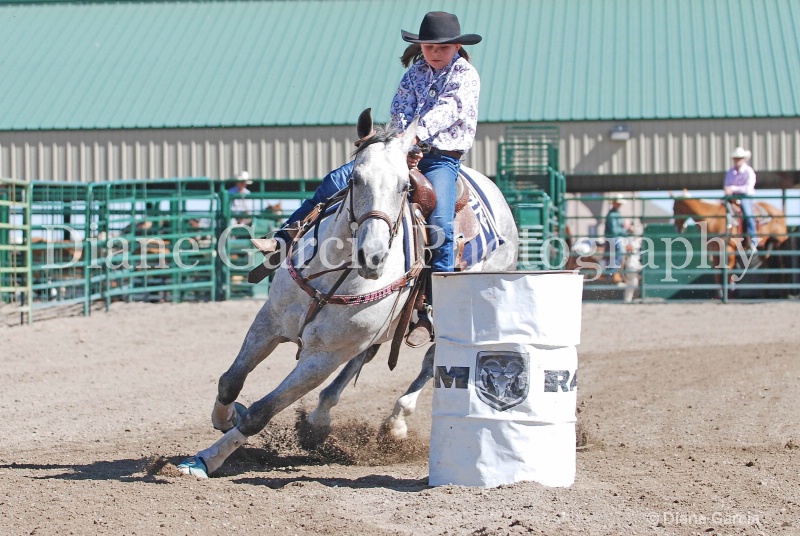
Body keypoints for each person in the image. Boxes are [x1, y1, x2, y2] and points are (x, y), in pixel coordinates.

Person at [391, 11, 482, 346]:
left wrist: (414, 141)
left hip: (442, 158)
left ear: (456, 46)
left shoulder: (465, 75)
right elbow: (400, 108)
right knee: (351, 187)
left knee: (440, 224)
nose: (434, 52)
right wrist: (403, 142)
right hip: (406, 150)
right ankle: (291, 233)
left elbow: (447, 110)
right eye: (429, 47)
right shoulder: (415, 73)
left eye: (441, 47)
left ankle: (435, 306)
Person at [723, 146, 758, 252]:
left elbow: (748, 188)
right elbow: (726, 185)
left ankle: (753, 241)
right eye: (736, 158)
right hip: (731, 197)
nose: (737, 161)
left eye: (739, 158)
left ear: (743, 159)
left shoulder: (749, 171)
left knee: (748, 214)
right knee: (720, 211)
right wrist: (728, 191)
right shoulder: (730, 172)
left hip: (745, 196)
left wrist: (732, 188)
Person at [604, 194, 630, 285]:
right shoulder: (612, 214)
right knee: (620, 251)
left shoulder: (615, 213)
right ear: (614, 203)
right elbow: (614, 230)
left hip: (615, 237)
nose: (619, 205)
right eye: (618, 203)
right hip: (613, 238)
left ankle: (617, 273)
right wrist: (625, 230)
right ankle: (613, 274)